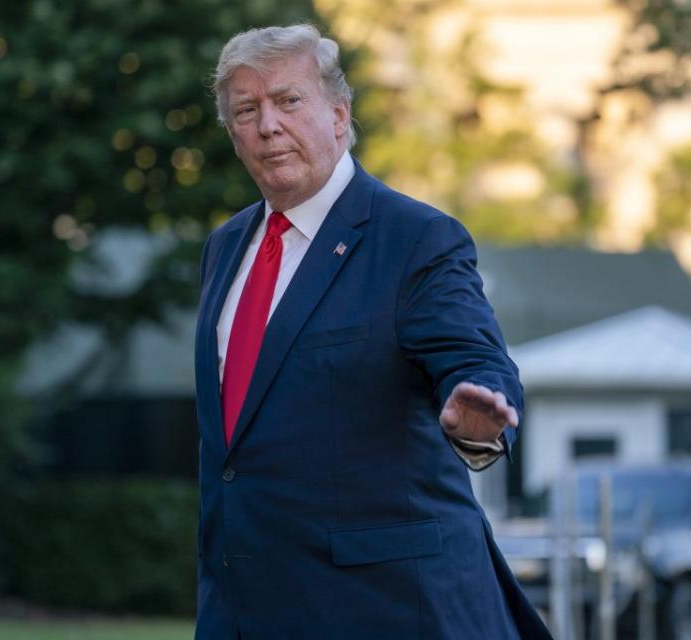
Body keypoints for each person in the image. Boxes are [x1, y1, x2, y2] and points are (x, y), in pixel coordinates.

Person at [194, 23, 551, 639]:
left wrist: (477, 423)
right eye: (246, 110)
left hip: (385, 608)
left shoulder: (415, 238)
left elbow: (475, 361)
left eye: (288, 101)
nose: (268, 126)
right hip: (246, 607)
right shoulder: (225, 246)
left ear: (339, 113)